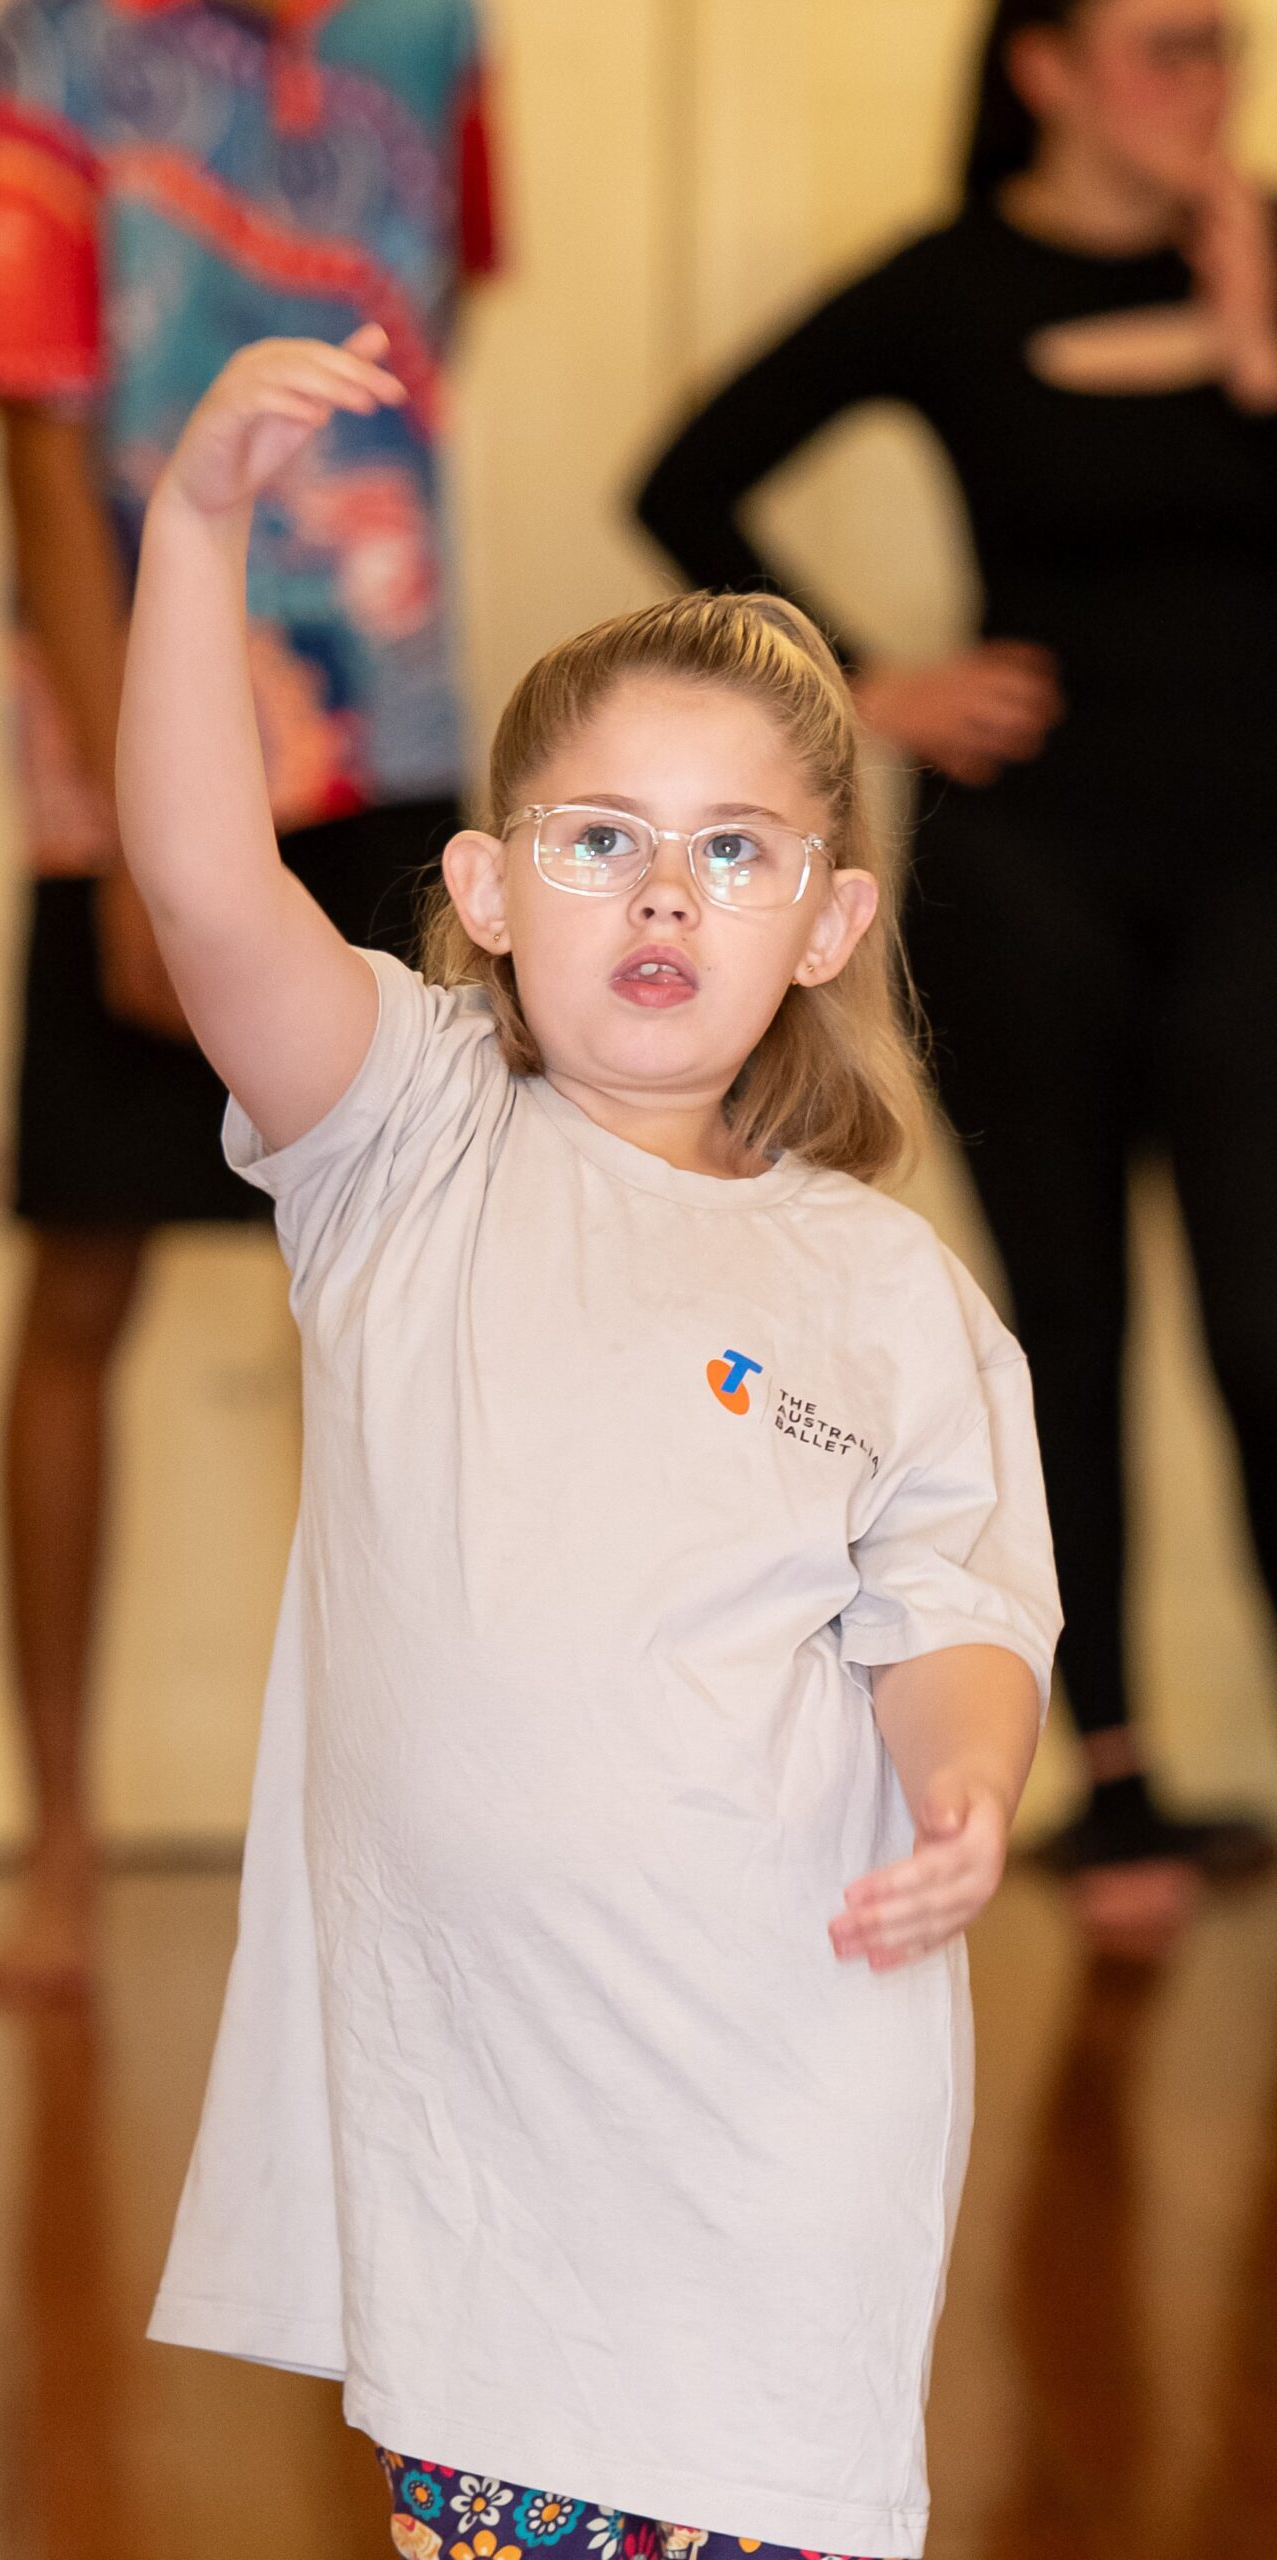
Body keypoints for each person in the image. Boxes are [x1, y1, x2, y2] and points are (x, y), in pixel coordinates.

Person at [130, 332, 1062, 2557]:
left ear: (828, 919)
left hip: (779, 2144)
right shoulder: (405, 1141)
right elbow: (194, 882)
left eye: (732, 849)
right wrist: (191, 528)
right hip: (493, 2188)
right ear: (477, 888)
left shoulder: (885, 1293)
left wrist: (966, 1782)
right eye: (599, 840)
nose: (661, 895)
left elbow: (951, 1613)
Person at [634, 0, 1277, 1949]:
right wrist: (867, 681)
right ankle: (1120, 1784)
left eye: (1222, 47)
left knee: (1265, 1324)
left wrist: (1248, 308)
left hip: (1253, 870)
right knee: (1058, 1324)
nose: (1202, 83)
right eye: (1160, 46)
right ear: (1046, 65)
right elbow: (685, 476)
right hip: (1029, 880)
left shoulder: (1257, 256)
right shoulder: (947, 283)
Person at [0, 0, 500, 2000]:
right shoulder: (50, 55)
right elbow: (26, 424)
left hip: (393, 742)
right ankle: (60, 1841)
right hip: (131, 757)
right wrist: (117, 811)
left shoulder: (435, 32)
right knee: (81, 1270)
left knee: (406, 1293)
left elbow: (438, 324)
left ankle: (418, 1836)